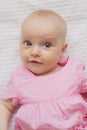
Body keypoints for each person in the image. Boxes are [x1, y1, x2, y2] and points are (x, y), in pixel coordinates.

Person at [0, 9, 87, 130]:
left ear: (62, 50)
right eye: (28, 43)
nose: (34, 52)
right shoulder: (19, 77)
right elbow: (5, 105)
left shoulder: (73, 70)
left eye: (47, 45)